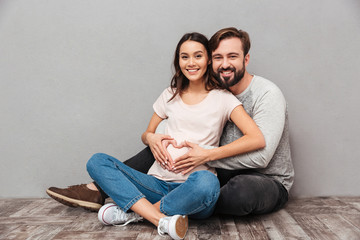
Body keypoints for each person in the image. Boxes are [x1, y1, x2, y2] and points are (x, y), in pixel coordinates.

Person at [47, 27, 293, 220]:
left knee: (227, 190)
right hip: (178, 178)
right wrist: (152, 138)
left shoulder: (255, 95)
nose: (224, 63)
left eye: (232, 56)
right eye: (218, 57)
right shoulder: (176, 94)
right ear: (211, 61)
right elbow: (166, 129)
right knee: (106, 159)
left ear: (246, 59)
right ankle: (115, 194)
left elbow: (261, 154)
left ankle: (137, 212)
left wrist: (205, 156)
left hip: (262, 179)